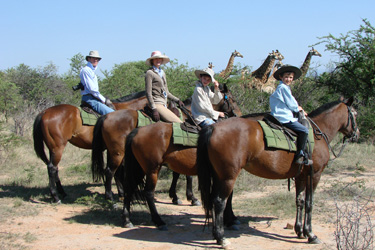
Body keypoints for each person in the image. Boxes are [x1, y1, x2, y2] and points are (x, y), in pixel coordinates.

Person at [269, 64, 312, 165]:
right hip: (283, 117)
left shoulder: (283, 87)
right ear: (281, 77)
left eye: (291, 77)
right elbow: (291, 103)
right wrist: (299, 109)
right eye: (287, 77)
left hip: (280, 114)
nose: (288, 79)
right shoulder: (283, 88)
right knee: (304, 130)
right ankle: (300, 154)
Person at [145, 51, 184, 123]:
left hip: (164, 103)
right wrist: (154, 108)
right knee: (179, 122)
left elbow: (167, 92)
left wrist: (177, 100)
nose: (158, 60)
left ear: (162, 60)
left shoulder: (163, 73)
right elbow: (148, 93)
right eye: (155, 58)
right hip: (157, 103)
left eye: (159, 58)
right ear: (152, 61)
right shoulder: (150, 73)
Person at [80, 50, 114, 115]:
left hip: (93, 98)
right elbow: (92, 89)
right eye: (93, 58)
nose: (96, 60)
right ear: (89, 59)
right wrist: (104, 100)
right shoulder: (86, 70)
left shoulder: (91, 71)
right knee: (113, 115)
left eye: (97, 59)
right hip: (90, 99)